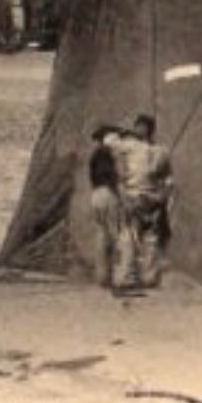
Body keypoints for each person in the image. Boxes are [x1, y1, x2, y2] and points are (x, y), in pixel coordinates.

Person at [112, 113, 176, 289]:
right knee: (139, 238)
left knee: (141, 238)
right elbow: (169, 181)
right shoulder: (160, 151)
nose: (137, 130)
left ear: (145, 129)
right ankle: (138, 277)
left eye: (139, 126)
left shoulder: (136, 148)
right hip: (138, 198)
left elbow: (169, 181)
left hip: (142, 198)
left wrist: (162, 198)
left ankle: (138, 278)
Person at [87, 123, 135, 291]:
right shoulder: (107, 154)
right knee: (122, 234)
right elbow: (111, 179)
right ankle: (122, 278)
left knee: (102, 234)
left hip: (96, 195)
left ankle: (102, 277)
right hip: (108, 194)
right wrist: (122, 198)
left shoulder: (95, 155)